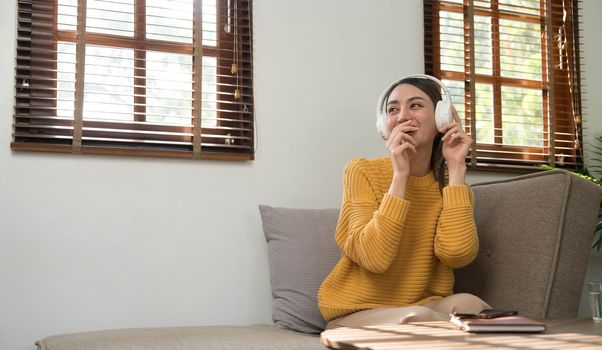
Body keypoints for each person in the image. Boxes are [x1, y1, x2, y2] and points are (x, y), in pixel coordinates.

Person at [317, 75, 490, 330]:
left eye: (416, 105)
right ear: (384, 124)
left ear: (442, 118)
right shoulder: (361, 171)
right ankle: (455, 332)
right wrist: (400, 176)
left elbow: (457, 255)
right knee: (417, 319)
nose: (402, 116)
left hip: (425, 305)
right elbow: (374, 257)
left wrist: (455, 168)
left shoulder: (453, 186)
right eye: (393, 109)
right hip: (358, 311)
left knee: (473, 306)